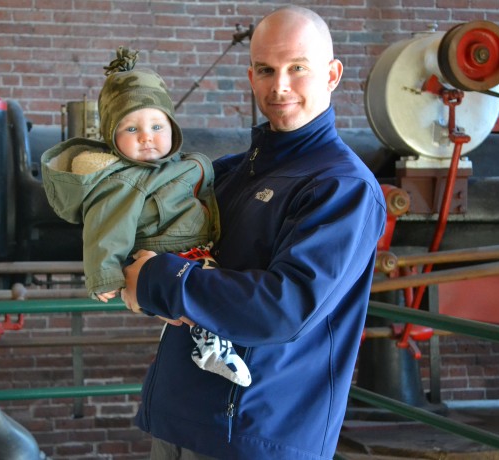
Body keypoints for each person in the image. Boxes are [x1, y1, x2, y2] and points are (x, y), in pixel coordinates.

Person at [121, 5, 387, 460]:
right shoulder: (231, 172)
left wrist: (157, 282)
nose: (279, 86)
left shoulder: (343, 187)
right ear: (251, 76)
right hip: (180, 417)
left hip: (254, 435)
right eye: (266, 69)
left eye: (297, 68)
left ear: (333, 74)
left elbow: (284, 307)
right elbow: (158, 245)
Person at [40, 47, 251, 387]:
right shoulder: (126, 180)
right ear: (111, 138)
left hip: (197, 246)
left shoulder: (180, 165)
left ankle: (212, 339)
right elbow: (108, 226)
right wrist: (105, 274)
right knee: (205, 290)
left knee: (214, 287)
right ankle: (211, 346)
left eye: (156, 124)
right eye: (131, 129)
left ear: (172, 127)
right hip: (168, 251)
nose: (146, 137)